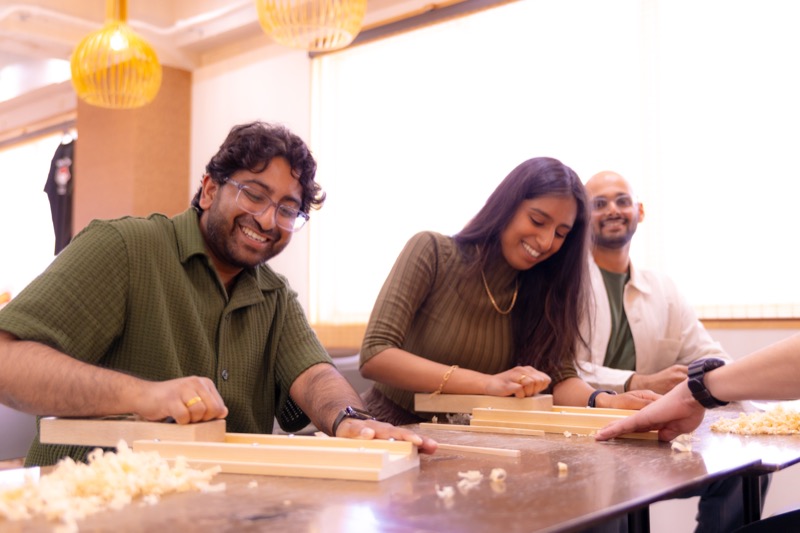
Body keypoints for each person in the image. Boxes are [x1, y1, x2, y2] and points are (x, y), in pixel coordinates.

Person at [0, 121, 436, 467]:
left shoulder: (275, 296)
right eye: (255, 194)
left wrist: (350, 420)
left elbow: (315, 376)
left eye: (287, 210)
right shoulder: (125, 247)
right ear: (210, 189)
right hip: (83, 506)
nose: (268, 220)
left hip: (216, 511)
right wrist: (142, 396)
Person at [359, 157, 659, 426]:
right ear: (507, 206)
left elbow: (561, 377)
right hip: (384, 427)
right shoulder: (433, 251)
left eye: (560, 234)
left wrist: (606, 401)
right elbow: (376, 354)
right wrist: (488, 384)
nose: (544, 241)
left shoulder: (539, 286)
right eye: (537, 221)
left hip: (466, 440)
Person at [578, 169, 732, 394]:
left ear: (639, 211)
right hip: (581, 418)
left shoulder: (665, 289)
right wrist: (639, 382)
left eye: (622, 201)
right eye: (599, 204)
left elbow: (710, 357)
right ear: (583, 218)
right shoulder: (565, 286)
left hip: (651, 419)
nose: (612, 210)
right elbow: (560, 369)